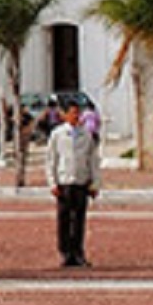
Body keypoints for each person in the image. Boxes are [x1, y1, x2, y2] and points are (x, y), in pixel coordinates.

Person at [45, 100, 101, 268]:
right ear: (65, 114)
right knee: (64, 219)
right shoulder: (57, 134)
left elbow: (93, 160)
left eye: (78, 113)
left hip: (81, 181)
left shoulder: (86, 134)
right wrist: (52, 182)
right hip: (64, 181)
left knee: (79, 219)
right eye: (72, 112)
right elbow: (51, 160)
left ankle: (78, 252)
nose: (75, 116)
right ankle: (65, 252)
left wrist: (95, 182)